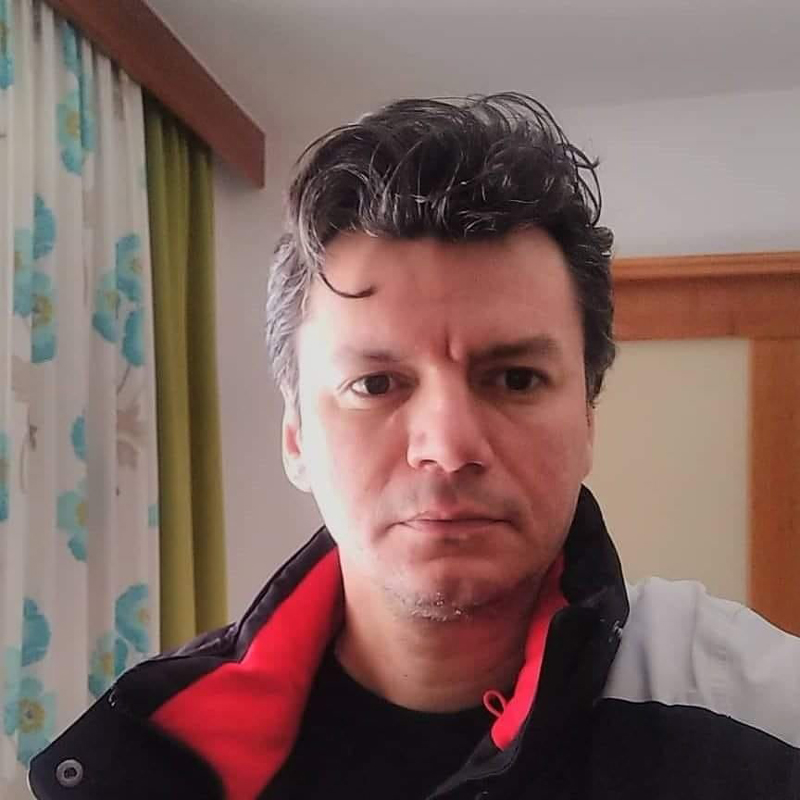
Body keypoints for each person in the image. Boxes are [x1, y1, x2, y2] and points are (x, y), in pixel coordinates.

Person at [30, 94, 799, 800]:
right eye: (375, 384)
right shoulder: (155, 753)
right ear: (295, 435)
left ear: (588, 420)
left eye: (517, 379)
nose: (449, 446)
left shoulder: (760, 720)